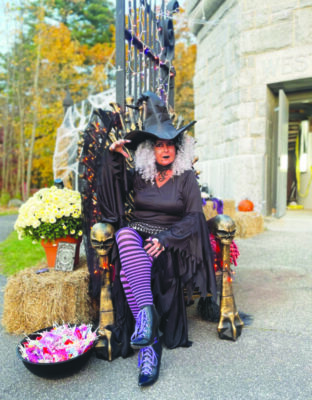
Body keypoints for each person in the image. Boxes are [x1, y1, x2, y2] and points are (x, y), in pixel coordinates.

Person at [106, 91, 217, 387]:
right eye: (159, 144)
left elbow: (194, 217)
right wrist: (116, 160)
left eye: (170, 144)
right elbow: (114, 196)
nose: (165, 149)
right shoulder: (141, 175)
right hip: (138, 232)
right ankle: (148, 324)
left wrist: (167, 239)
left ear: (177, 148)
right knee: (125, 235)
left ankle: (149, 346)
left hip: (171, 239)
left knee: (134, 265)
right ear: (150, 149)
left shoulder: (186, 178)